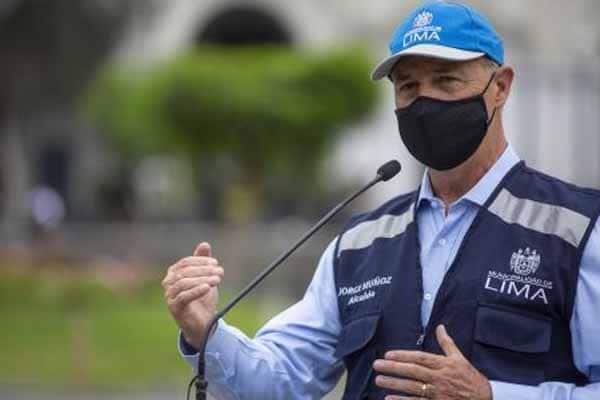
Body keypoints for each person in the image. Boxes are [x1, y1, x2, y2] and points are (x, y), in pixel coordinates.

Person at [162, 1, 600, 399]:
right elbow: (281, 378)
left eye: (446, 80)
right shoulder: (359, 244)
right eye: (408, 87)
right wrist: (206, 332)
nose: (425, 101)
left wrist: (490, 396)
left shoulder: (577, 230)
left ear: (500, 86)